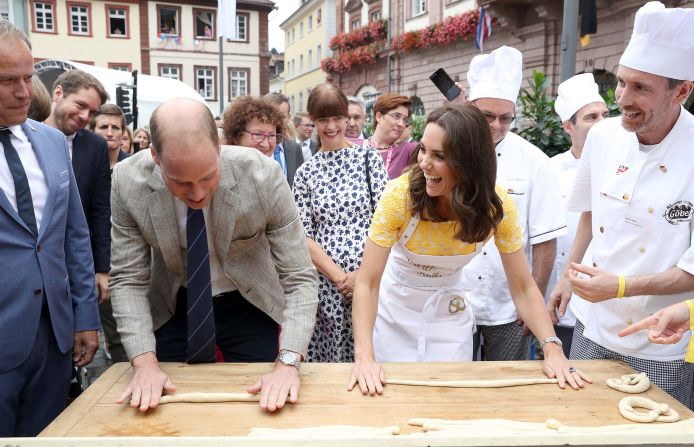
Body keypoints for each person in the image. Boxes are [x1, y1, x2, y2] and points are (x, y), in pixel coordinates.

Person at [348, 104, 589, 395]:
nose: (424, 164)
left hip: (448, 314)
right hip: (395, 312)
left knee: (450, 398)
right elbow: (368, 281)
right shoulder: (400, 197)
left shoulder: (495, 207)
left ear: (468, 162)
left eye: (439, 156)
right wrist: (364, 358)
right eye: (424, 150)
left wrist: (552, 349)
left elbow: (523, 286)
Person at [109, 98, 318, 413]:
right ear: (154, 156)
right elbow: (128, 279)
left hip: (249, 302)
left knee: (265, 407)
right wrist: (143, 362)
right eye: (180, 182)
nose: (197, 194)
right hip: (173, 302)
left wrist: (288, 363)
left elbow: (299, 275)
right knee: (163, 409)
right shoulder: (127, 182)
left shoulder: (263, 175)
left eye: (207, 176)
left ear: (219, 147)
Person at [549, 1, 694, 406]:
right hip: (593, 326)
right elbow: (590, 214)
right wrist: (566, 277)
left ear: (682, 91)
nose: (623, 98)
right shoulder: (603, 136)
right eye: (622, 82)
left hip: (660, 337)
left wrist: (621, 287)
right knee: (583, 422)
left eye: (641, 88)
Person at [0, 19, 99, 436]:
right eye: (8, 80)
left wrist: (85, 315)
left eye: (28, 76)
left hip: (55, 336)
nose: (25, 91)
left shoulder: (53, 142)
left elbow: (73, 235)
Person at [462, 46, 566, 362]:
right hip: (454, 299)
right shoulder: (449, 152)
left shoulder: (535, 162)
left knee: (510, 383)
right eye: (487, 117)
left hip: (509, 303)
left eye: (505, 118)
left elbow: (545, 239)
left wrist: (532, 299)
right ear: (469, 108)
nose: (496, 126)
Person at [292, 83, 388, 362]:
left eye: (337, 118)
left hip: (371, 282)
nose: (331, 126)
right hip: (327, 290)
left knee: (370, 359)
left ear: (347, 118)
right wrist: (340, 278)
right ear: (313, 120)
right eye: (323, 119)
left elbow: (385, 220)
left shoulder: (368, 158)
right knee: (330, 366)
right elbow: (304, 236)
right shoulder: (305, 173)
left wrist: (362, 275)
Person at [44, 70, 120, 364]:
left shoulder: (94, 146)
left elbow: (101, 211)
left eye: (92, 112)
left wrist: (102, 269)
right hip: (41, 260)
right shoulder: (28, 136)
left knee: (80, 338)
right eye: (80, 106)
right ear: (59, 93)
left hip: (78, 260)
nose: (86, 116)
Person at [546, 73, 608, 356]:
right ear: (568, 126)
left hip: (601, 300)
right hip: (556, 297)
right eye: (591, 117)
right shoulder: (549, 170)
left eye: (605, 115)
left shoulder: (620, 167)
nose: (602, 124)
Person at [224, 96, 304, 187]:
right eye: (258, 135)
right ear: (236, 136)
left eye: (272, 136)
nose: (266, 145)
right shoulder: (220, 177)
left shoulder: (276, 180)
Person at [360, 93, 418, 179]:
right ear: (379, 116)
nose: (401, 124)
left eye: (405, 120)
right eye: (396, 116)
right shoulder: (354, 146)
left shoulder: (408, 150)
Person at [89, 104, 129, 171]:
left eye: (115, 127)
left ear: (123, 132)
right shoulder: (79, 163)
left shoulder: (133, 167)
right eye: (103, 127)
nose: (109, 134)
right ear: (92, 131)